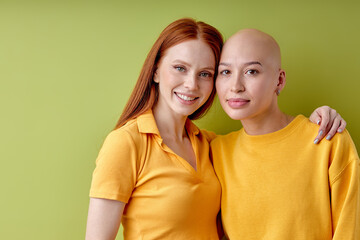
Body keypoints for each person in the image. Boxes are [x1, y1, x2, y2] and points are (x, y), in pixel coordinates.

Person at [85, 18, 346, 240]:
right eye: (179, 68)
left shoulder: (210, 145)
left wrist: (318, 120)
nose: (191, 84)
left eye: (205, 74)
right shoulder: (126, 142)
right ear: (155, 72)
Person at [211, 28, 359, 239]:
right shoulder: (216, 152)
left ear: (279, 81)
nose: (235, 86)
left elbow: (349, 230)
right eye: (225, 72)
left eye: (251, 71)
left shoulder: (328, 139)